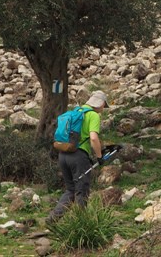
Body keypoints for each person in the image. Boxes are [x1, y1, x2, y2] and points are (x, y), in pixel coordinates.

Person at [48, 90, 109, 223]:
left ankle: (52, 219)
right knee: (82, 190)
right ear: (101, 103)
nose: (103, 109)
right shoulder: (93, 115)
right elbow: (93, 138)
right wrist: (99, 156)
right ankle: (82, 225)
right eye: (104, 105)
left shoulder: (76, 111)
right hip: (78, 156)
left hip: (63, 154)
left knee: (70, 189)